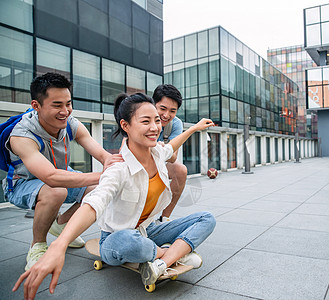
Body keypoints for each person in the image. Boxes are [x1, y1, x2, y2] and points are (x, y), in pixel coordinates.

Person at [13, 92, 216, 299]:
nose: (155, 127)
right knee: (128, 240)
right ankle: (173, 254)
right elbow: (93, 205)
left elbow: (172, 145)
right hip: (116, 238)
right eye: (145, 121)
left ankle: (162, 261)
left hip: (149, 230)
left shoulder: (157, 153)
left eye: (156, 120)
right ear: (125, 125)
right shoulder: (118, 169)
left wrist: (194, 128)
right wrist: (59, 245)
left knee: (207, 218)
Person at [4, 72, 121, 271]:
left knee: (98, 187)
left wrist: (114, 163)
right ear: (36, 106)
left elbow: (103, 155)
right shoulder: (22, 135)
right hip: (22, 184)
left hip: (58, 176)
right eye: (57, 105)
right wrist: (105, 175)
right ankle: (37, 245)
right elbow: (50, 177)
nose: (65, 111)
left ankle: (60, 224)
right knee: (56, 190)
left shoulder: (71, 123)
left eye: (68, 103)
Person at [152, 84, 187, 222]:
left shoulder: (176, 124)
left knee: (180, 170)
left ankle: (164, 219)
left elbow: (173, 157)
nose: (166, 115)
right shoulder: (140, 115)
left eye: (172, 111)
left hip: (158, 162)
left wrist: (162, 148)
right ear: (153, 104)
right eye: (162, 109)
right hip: (137, 164)